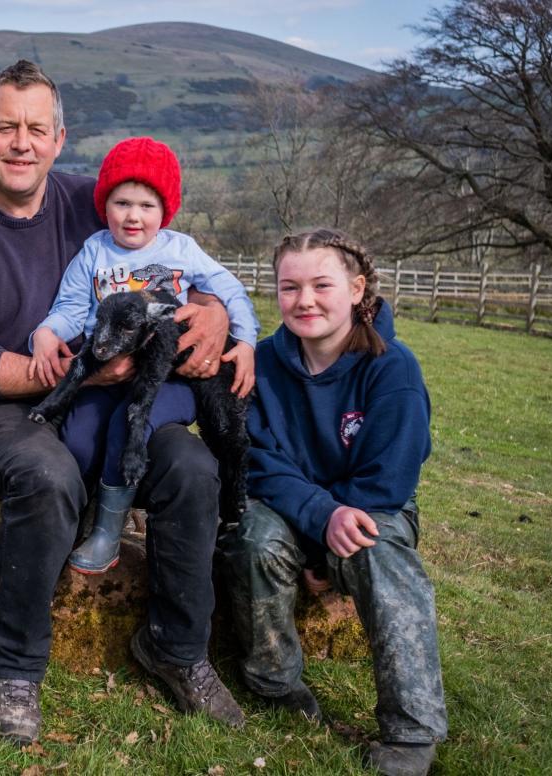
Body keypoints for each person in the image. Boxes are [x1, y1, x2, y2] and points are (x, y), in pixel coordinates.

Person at [0, 59, 244, 744]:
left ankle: (177, 652)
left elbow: (175, 258)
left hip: (126, 395)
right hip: (8, 407)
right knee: (46, 476)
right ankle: (15, 669)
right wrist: (78, 376)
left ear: (60, 140)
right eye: (6, 127)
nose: (21, 143)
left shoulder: (97, 202)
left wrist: (213, 313)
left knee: (188, 469)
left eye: (37, 128)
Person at [220, 228, 446, 776]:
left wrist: (330, 539)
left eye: (322, 284)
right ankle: (275, 683)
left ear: (355, 288)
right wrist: (319, 520)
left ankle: (412, 730)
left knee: (377, 550)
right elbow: (257, 461)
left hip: (370, 507)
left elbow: (389, 478)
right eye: (289, 287)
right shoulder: (264, 364)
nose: (305, 301)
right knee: (251, 540)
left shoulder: (393, 367)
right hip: (288, 505)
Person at [29, 136, 258, 575]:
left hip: (166, 377)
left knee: (131, 421)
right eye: (122, 202)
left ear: (165, 211)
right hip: (108, 367)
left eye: (147, 205)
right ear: (105, 205)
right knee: (76, 437)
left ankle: (108, 532)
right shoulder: (95, 251)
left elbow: (231, 292)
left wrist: (245, 341)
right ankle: (80, 512)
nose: (133, 216)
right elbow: (71, 308)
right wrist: (46, 332)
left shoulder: (181, 249)